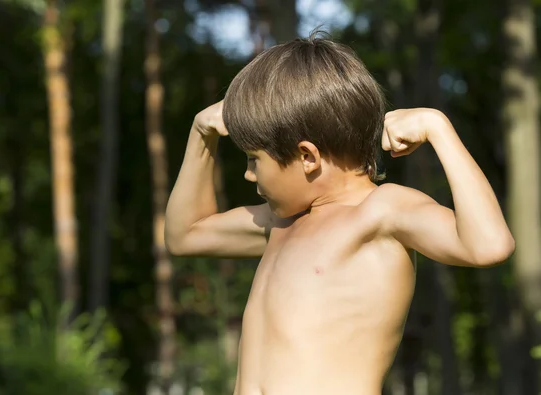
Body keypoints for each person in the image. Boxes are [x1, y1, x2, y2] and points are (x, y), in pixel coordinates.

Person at [164, 33, 515, 395]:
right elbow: (186, 234)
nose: (249, 174)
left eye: (254, 160)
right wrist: (200, 134)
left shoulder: (380, 211)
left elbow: (489, 245)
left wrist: (437, 128)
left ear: (307, 157)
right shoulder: (280, 222)